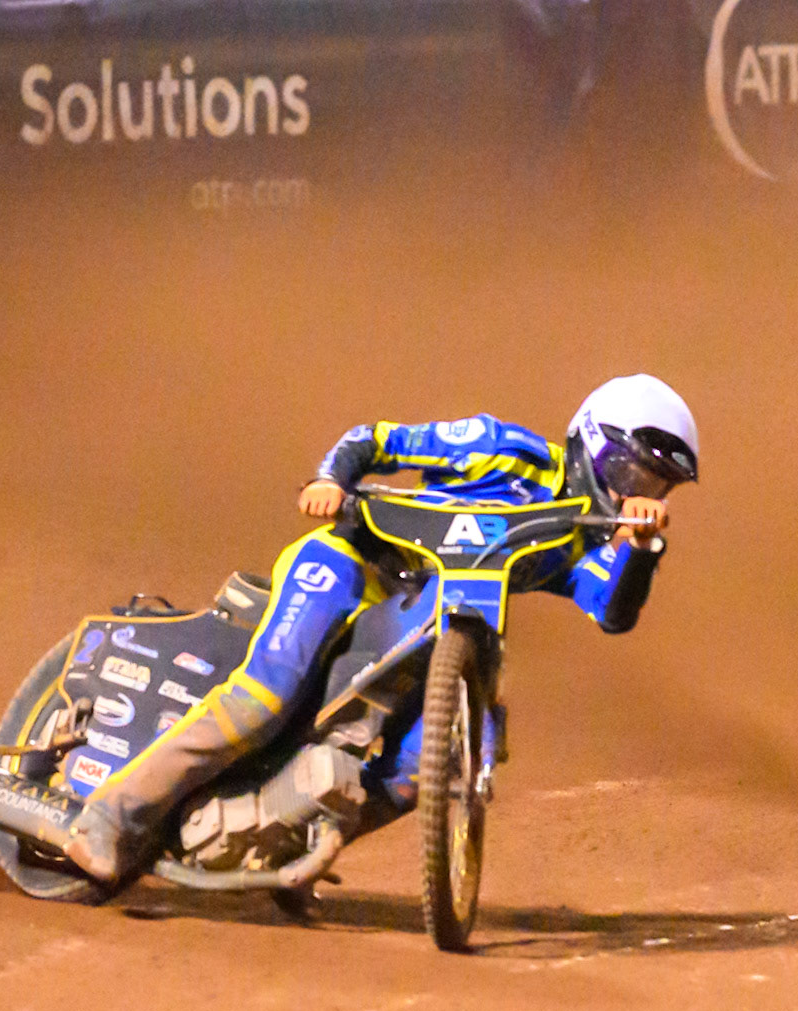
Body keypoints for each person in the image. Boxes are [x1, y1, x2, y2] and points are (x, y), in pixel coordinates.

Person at [63, 374, 700, 883]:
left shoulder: (582, 541)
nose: (641, 492)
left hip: (442, 619)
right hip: (349, 563)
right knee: (265, 699)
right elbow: (379, 440)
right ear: (596, 443)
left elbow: (613, 612)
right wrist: (330, 480)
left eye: (658, 485)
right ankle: (109, 819)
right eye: (635, 474)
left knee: (435, 763)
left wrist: (642, 549)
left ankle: (289, 838)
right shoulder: (503, 447)